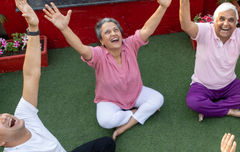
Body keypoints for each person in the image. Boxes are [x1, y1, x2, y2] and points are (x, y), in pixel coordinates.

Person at [0, 0, 115, 152]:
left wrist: (33, 27)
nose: (3, 117)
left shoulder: (23, 114)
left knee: (107, 143)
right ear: (2, 142)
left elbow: (32, 73)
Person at [43, 0, 171, 140]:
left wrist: (162, 7)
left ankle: (126, 125)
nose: (113, 34)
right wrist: (64, 28)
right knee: (106, 121)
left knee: (158, 99)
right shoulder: (97, 54)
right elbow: (80, 47)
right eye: (107, 32)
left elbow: (147, 29)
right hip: (110, 99)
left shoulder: (130, 44)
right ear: (102, 41)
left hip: (135, 92)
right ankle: (137, 112)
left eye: (116, 30)